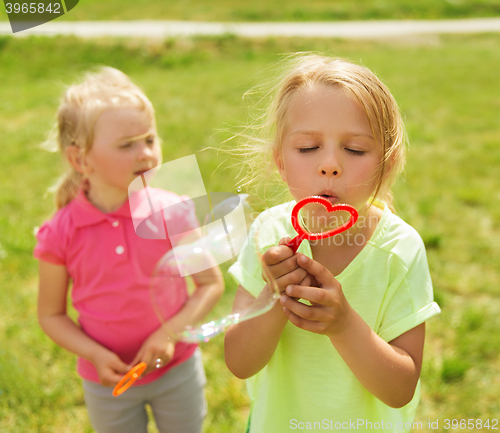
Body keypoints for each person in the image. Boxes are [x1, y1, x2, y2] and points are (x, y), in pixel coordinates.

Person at [224, 55, 441, 433]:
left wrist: (344, 325)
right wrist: (273, 297)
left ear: (385, 165)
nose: (329, 165)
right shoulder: (268, 233)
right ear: (280, 161)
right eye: (308, 147)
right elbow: (240, 363)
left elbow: (400, 388)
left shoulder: (399, 250)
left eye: (354, 150)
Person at [34, 67, 222, 433]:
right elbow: (51, 315)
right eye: (127, 145)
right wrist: (95, 355)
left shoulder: (172, 210)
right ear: (80, 160)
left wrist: (168, 333)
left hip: (176, 369)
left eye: (149, 139)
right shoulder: (60, 233)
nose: (147, 154)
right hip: (108, 381)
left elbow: (210, 284)